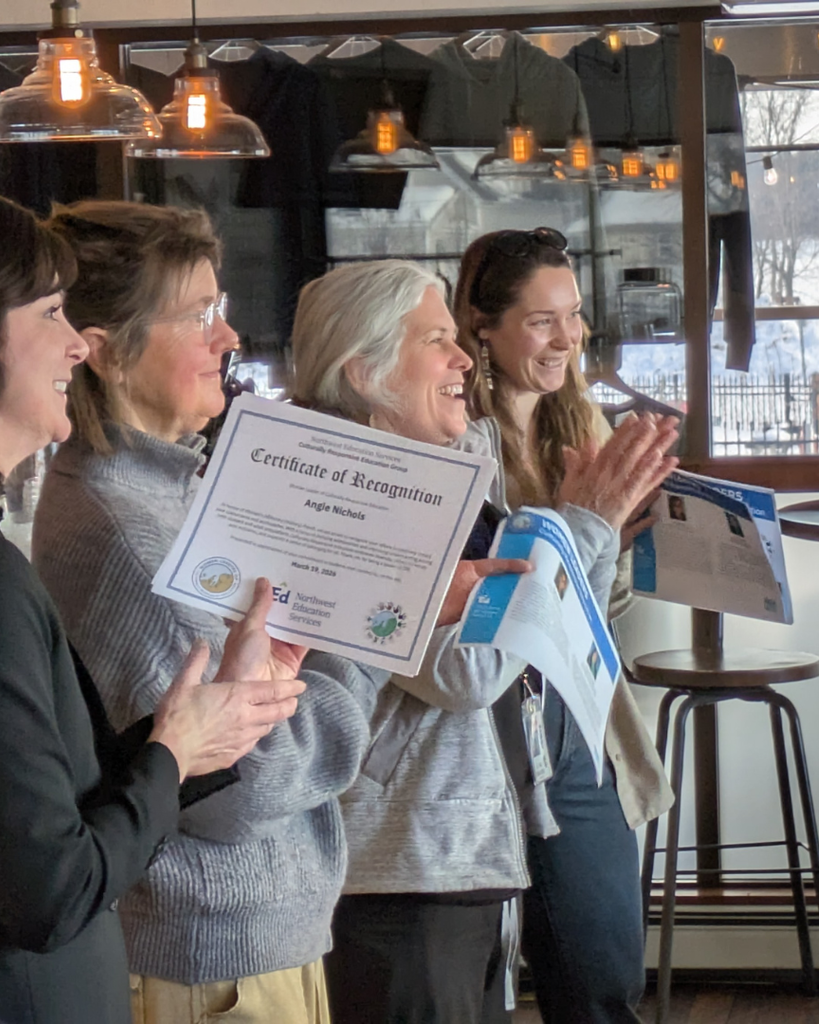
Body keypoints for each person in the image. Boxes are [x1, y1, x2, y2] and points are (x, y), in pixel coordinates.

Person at [0, 186, 304, 1024]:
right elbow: (53, 891)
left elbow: (40, 801)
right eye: (49, 313)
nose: (77, 344)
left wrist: (195, 729)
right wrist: (175, 753)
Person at [289, 259, 676, 1024]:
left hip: (469, 841)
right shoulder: (354, 491)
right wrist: (579, 526)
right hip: (405, 866)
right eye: (437, 340)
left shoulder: (452, 467)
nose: (464, 357)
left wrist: (582, 534)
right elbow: (466, 674)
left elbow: (559, 635)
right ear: (364, 373)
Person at [31, 201, 381, 1024]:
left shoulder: (164, 491)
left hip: (246, 939)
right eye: (199, 316)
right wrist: (364, 631)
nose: (228, 339)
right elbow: (243, 787)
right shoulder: (126, 528)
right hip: (212, 958)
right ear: (108, 352)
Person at [454, 227, 677, 1024]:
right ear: (484, 328)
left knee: (604, 966)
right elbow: (493, 613)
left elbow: (598, 614)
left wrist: (624, 540)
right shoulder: (460, 442)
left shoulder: (578, 426)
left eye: (574, 315)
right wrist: (584, 527)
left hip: (578, 727)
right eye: (543, 320)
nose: (568, 337)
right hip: (488, 729)